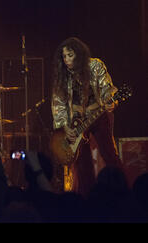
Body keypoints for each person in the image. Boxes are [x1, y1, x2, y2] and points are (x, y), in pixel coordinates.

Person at [51, 37, 123, 196]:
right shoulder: (63, 75)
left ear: (79, 53)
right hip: (76, 123)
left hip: (98, 115)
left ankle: (122, 192)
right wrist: (64, 126)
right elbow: (58, 103)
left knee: (109, 154)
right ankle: (86, 198)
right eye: (64, 56)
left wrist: (111, 101)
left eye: (70, 55)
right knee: (82, 163)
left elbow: (107, 88)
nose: (67, 60)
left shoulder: (95, 65)